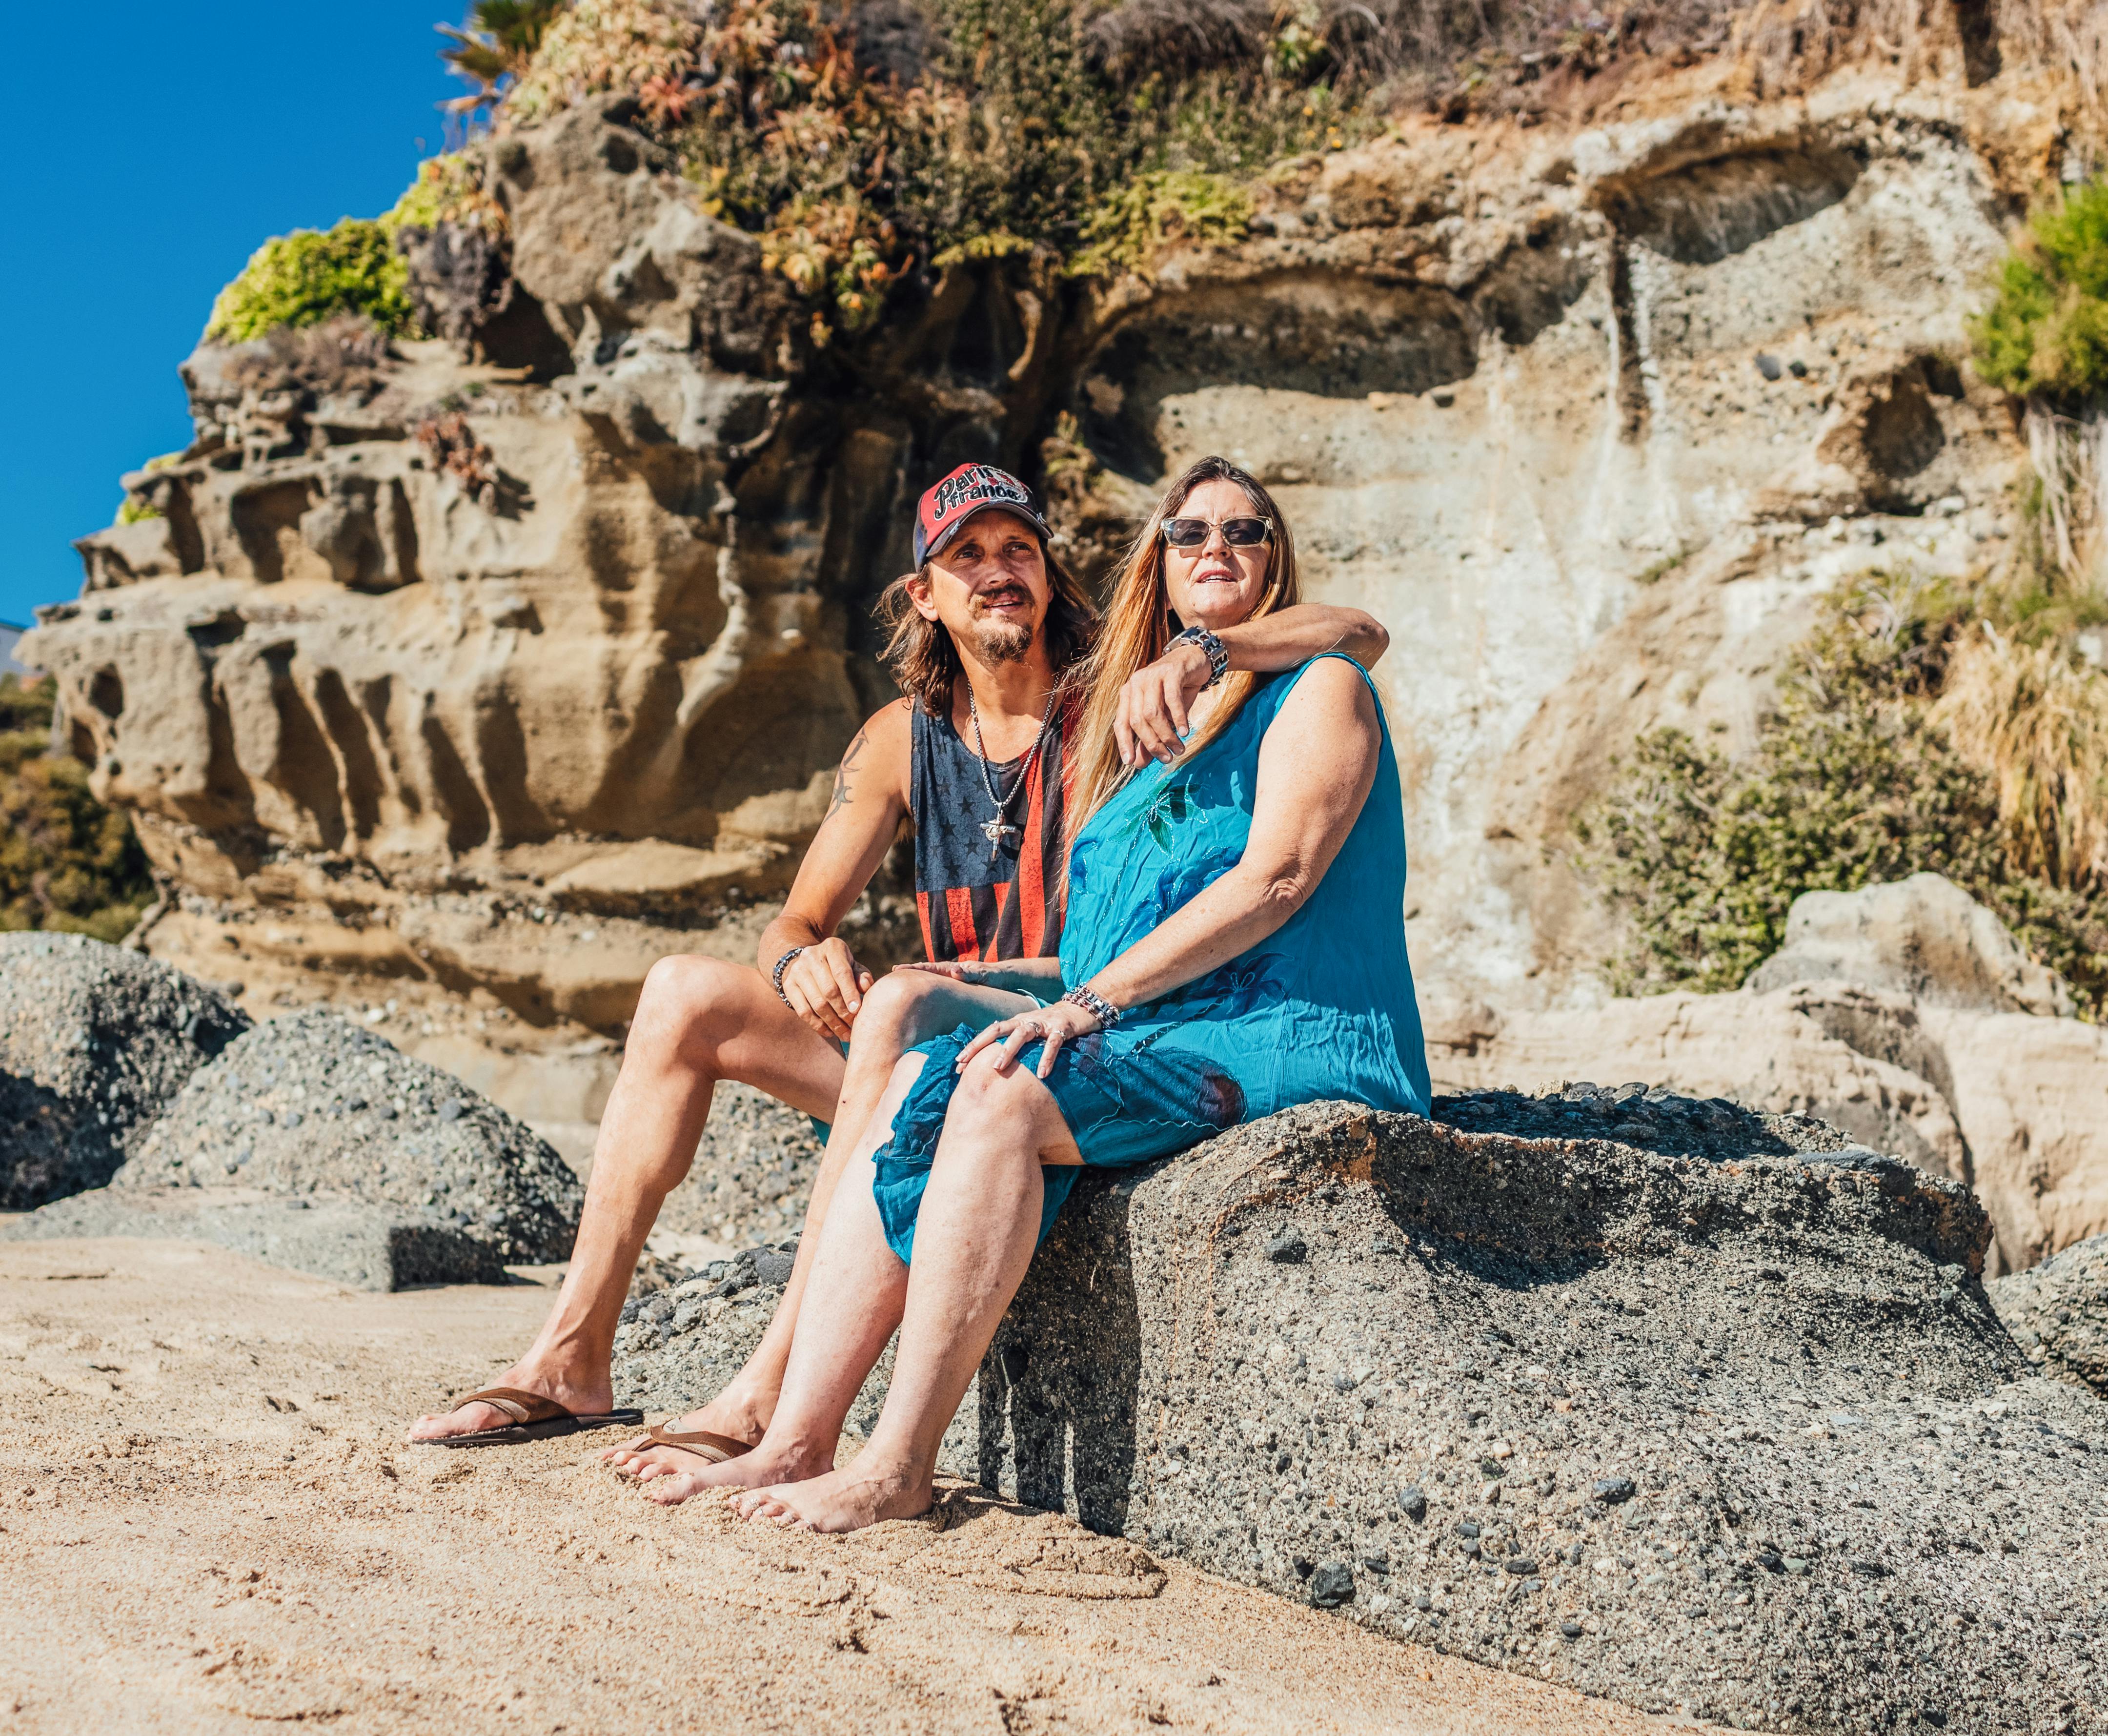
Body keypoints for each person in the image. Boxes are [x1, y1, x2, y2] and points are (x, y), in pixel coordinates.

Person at [406, 461, 1387, 1451]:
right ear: (925, 593)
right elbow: (792, 921)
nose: (998, 573)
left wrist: (1202, 652)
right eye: (967, 557)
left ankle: (772, 1387)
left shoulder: (1123, 699)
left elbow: (1350, 635)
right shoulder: (897, 741)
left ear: (1050, 577)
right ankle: (569, 1358)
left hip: (1068, 1032)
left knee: (907, 998)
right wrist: (801, 964)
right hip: (931, 1037)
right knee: (680, 994)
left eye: (1019, 551)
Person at [635, 454, 1430, 1530]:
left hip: (1295, 1029)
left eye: (1247, 534)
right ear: (1157, 555)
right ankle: (794, 1439)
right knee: (931, 1068)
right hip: (1180, 1025)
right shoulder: (1141, 729)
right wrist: (992, 990)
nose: (1218, 551)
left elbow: (1279, 871)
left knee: (1003, 1092)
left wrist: (1092, 1004)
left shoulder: (1314, 686)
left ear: (1275, 559)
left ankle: (896, 1463)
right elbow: (1096, 941)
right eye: (1190, 534)